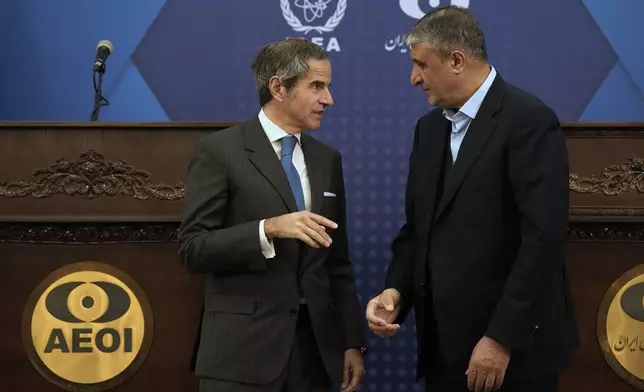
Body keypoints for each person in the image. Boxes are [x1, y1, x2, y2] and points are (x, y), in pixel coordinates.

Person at [365, 6, 578, 392]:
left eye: (421, 65)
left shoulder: (528, 121)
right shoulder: (427, 130)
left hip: (510, 355)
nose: (414, 78)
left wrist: (501, 338)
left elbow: (541, 240)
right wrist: (395, 291)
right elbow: (419, 229)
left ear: (457, 61)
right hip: (444, 353)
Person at [178, 38, 366, 392]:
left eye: (327, 87)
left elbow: (337, 264)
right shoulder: (219, 151)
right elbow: (192, 248)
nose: (329, 99)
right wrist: (269, 229)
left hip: (315, 357)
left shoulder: (328, 159)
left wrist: (350, 342)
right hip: (240, 355)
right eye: (317, 86)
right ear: (279, 87)